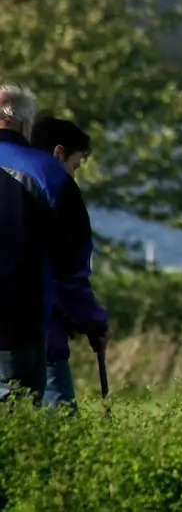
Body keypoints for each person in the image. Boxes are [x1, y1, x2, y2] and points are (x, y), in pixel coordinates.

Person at [30, 116, 109, 410]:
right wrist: (95, 321)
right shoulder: (58, 188)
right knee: (58, 418)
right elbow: (69, 275)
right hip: (43, 332)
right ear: (58, 152)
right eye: (74, 165)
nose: (73, 175)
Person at [0, 85, 65, 403]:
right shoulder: (43, 170)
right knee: (21, 416)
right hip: (21, 320)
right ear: (21, 122)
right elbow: (72, 250)